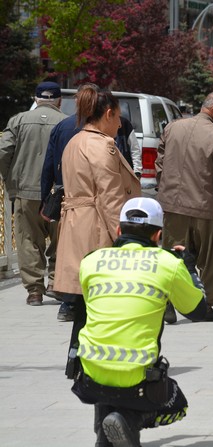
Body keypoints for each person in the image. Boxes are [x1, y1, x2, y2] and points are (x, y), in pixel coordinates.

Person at [70, 197, 207, 447]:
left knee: (109, 381)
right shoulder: (168, 264)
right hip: (137, 378)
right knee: (177, 403)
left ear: (119, 230)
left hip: (89, 374)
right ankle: (130, 419)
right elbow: (198, 310)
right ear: (158, 235)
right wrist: (187, 266)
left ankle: (107, 433)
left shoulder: (91, 261)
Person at [55, 84, 141, 376]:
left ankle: (75, 359)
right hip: (96, 229)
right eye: (118, 117)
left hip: (77, 225)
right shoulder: (102, 145)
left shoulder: (75, 142)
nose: (119, 124)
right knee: (102, 301)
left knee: (84, 301)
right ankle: (92, 361)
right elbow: (111, 197)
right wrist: (125, 237)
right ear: (108, 114)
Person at [155, 92, 213, 322]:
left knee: (171, 258)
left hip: (172, 207)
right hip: (206, 209)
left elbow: (159, 165)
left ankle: (166, 305)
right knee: (211, 260)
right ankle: (206, 306)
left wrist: (167, 192)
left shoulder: (172, 128)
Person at [0, 81, 66, 307]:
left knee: (28, 240)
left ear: (36, 99)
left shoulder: (17, 120)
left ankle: (34, 291)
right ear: (59, 100)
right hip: (59, 193)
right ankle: (56, 283)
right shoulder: (67, 123)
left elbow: (3, 151)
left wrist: (11, 180)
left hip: (26, 191)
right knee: (61, 239)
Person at [41, 84, 87, 321]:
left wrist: (44, 199)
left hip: (66, 197)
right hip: (93, 200)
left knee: (67, 251)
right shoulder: (104, 129)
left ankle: (67, 302)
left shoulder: (63, 126)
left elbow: (48, 165)